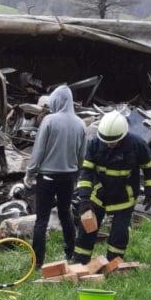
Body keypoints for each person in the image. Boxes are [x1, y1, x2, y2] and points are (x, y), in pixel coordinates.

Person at [72, 110, 151, 264]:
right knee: (87, 230)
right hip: (99, 195)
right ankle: (80, 262)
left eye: (113, 141)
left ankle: (114, 264)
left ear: (123, 135)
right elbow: (86, 172)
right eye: (106, 141)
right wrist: (84, 199)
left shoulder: (137, 144)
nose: (109, 145)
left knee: (119, 233)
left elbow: (150, 166)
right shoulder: (95, 144)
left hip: (124, 197)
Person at [23, 85, 87, 268]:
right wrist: (78, 173)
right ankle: (71, 253)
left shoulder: (49, 121)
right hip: (69, 178)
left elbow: (39, 150)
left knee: (41, 220)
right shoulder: (81, 124)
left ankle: (37, 262)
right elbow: (82, 156)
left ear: (56, 101)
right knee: (65, 214)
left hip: (47, 178)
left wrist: (30, 172)